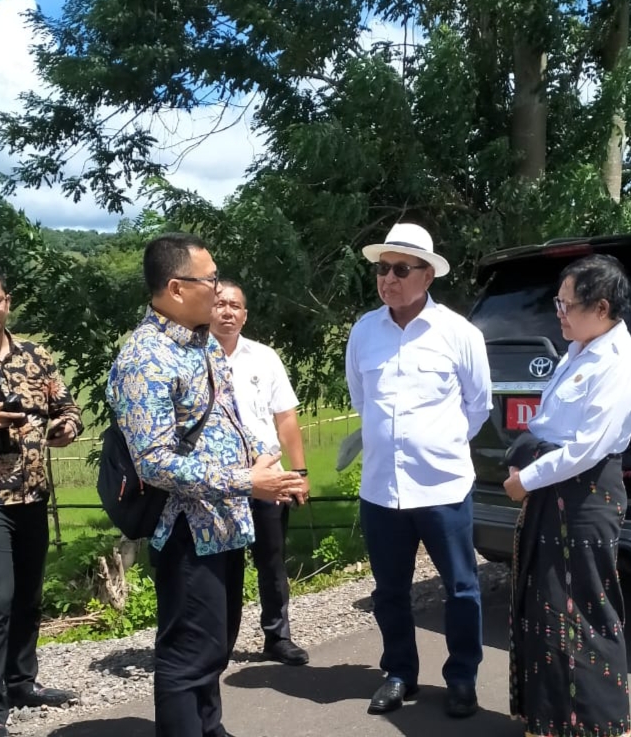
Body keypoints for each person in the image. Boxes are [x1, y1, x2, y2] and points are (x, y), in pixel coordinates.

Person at [106, 233, 305, 737]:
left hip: (224, 520)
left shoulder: (202, 345)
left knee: (215, 643)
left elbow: (224, 419)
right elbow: (154, 462)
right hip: (185, 530)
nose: (218, 290)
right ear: (176, 288)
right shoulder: (144, 360)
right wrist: (245, 480)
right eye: (210, 279)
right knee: (187, 655)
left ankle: (208, 726)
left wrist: (258, 458)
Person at [345, 222, 492, 718]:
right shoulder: (364, 332)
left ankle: (463, 678)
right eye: (382, 268)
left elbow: (478, 406)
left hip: (443, 486)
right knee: (389, 592)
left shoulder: (459, 333)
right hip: (381, 489)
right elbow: (362, 401)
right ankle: (399, 674)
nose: (388, 278)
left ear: (427, 275)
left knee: (461, 588)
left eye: (401, 269)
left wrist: (439, 444)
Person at [0, 261, 83, 737]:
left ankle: (21, 682)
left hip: (31, 494)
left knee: (27, 596)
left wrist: (67, 426)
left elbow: (67, 405)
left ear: (8, 301)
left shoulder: (36, 354)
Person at [503, 254, 631, 737]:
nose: (558, 313)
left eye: (566, 305)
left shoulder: (617, 362)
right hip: (552, 487)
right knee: (549, 608)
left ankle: (604, 725)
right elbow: (547, 422)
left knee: (586, 611)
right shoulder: (576, 350)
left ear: (601, 307)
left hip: (585, 494)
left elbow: (588, 447)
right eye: (557, 303)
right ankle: (554, 720)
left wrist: (526, 479)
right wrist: (523, 456)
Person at [210, 280, 310, 666]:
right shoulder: (194, 356)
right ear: (208, 309)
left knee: (272, 559)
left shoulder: (264, 357)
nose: (227, 312)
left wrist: (299, 472)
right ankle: (219, 644)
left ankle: (278, 637)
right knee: (224, 564)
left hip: (269, 478)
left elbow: (285, 417)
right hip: (221, 482)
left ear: (245, 315)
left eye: (235, 306)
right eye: (220, 303)